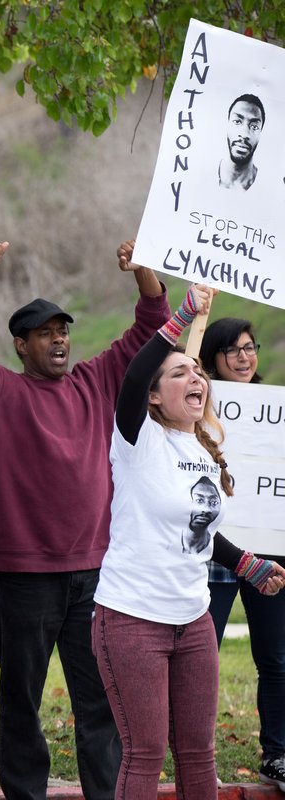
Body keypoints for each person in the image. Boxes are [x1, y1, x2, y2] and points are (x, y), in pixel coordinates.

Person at [0, 239, 170, 800]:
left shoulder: (96, 382)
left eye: (63, 331)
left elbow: (149, 334)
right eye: (44, 333)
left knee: (101, 700)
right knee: (22, 700)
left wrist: (144, 273)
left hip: (95, 576)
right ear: (21, 345)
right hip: (22, 577)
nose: (59, 340)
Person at [93, 284, 285, 799]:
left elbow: (198, 530)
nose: (196, 376)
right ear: (155, 396)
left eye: (198, 371)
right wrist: (182, 317)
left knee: (199, 757)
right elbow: (135, 373)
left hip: (193, 622)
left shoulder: (202, 445)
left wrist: (249, 564)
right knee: (146, 755)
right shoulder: (136, 439)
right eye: (180, 372)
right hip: (132, 619)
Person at [199, 318, 285, 789]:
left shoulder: (275, 410)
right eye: (231, 349)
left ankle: (278, 753)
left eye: (249, 348)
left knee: (276, 658)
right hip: (213, 556)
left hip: (270, 554)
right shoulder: (192, 406)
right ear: (211, 357)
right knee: (200, 657)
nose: (243, 357)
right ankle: (194, 750)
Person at [218, 94, 264, 191]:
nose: (244, 134)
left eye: (254, 127)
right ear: (227, 124)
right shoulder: (200, 173)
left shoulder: (269, 188)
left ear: (260, 133)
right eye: (237, 121)